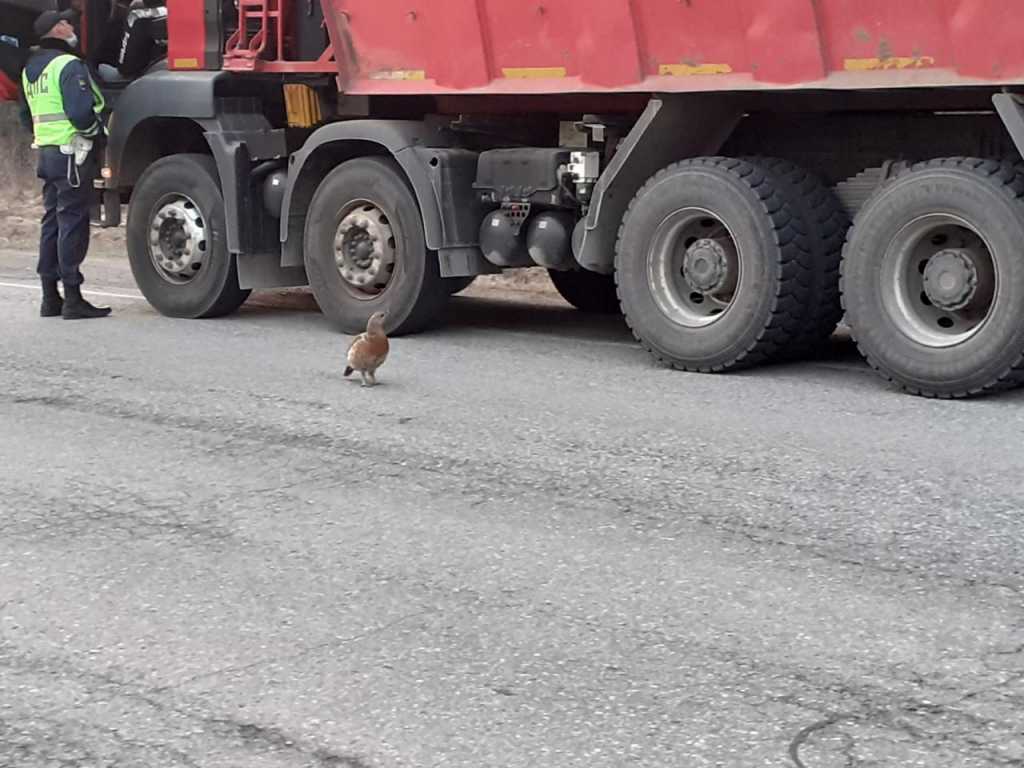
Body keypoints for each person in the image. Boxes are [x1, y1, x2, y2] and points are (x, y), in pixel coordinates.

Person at [21, 9, 110, 319]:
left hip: (47, 152)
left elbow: (25, 116)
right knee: (72, 221)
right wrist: (94, 134)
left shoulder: (31, 69)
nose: (72, 26)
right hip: (73, 152)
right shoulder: (68, 65)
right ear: (58, 29)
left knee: (52, 221)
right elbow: (81, 113)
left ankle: (50, 298)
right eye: (68, 22)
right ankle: (73, 298)